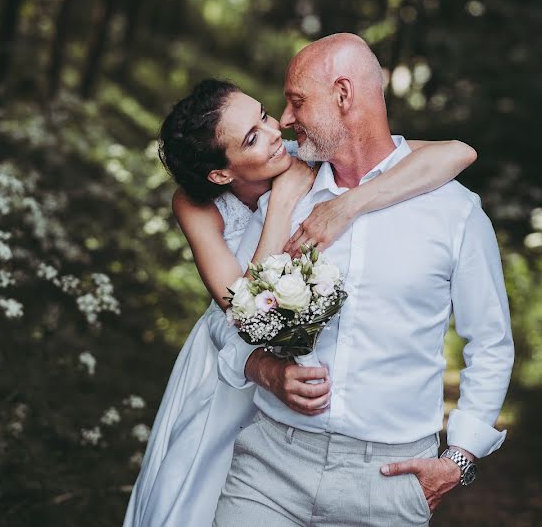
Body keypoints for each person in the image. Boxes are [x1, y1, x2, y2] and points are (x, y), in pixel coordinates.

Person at [122, 78, 478, 527]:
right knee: (198, 491)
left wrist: (349, 206)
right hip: (230, 366)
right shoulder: (196, 204)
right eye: (252, 138)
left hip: (301, 369)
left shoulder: (305, 153)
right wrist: (283, 201)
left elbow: (457, 152)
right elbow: (245, 308)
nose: (276, 134)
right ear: (220, 173)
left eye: (264, 116)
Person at [211, 34, 515, 526]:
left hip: (387, 483)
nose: (285, 121)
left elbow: (492, 341)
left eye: (296, 101)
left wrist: (459, 457)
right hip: (269, 467)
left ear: (343, 96)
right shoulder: (285, 197)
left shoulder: (455, 211)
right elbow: (229, 321)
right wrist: (267, 370)